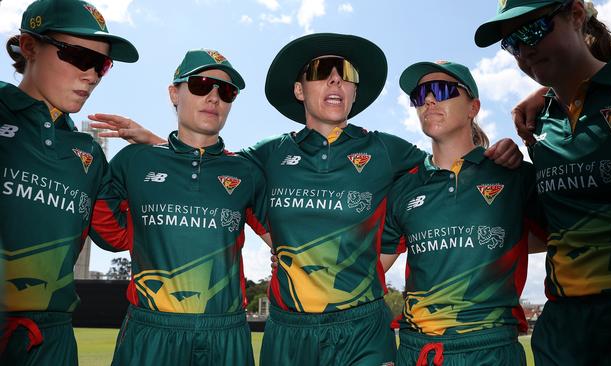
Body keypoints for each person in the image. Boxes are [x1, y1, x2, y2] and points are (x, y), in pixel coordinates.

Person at [93, 32, 524, 365]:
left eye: (346, 75)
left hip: (363, 328)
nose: (335, 79)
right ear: (300, 90)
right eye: (321, 71)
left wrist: (496, 152)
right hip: (288, 329)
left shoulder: (389, 152)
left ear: (355, 93)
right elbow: (206, 163)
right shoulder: (265, 155)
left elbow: (452, 166)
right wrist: (155, 142)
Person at [475, 1, 611, 365]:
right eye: (512, 44)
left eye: (534, 30)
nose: (524, 51)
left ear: (575, 14)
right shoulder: (538, 124)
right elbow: (553, 223)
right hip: (563, 334)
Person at [89, 49, 270, 366]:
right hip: (150, 332)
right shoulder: (133, 162)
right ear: (174, 92)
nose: (214, 97)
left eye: (226, 92)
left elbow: (284, 243)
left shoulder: (246, 172)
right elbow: (109, 235)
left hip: (225, 335)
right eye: (201, 85)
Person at [381, 60, 546, 366]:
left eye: (442, 90)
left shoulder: (514, 176)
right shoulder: (404, 188)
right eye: (420, 96)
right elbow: (368, 271)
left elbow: (567, 235)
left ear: (473, 107)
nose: (429, 100)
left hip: (492, 351)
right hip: (417, 352)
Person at [0, 0, 138, 365]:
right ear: (29, 47)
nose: (92, 75)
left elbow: (116, 236)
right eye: (79, 56)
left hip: (53, 344)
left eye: (101, 65)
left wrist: (157, 148)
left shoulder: (89, 153)